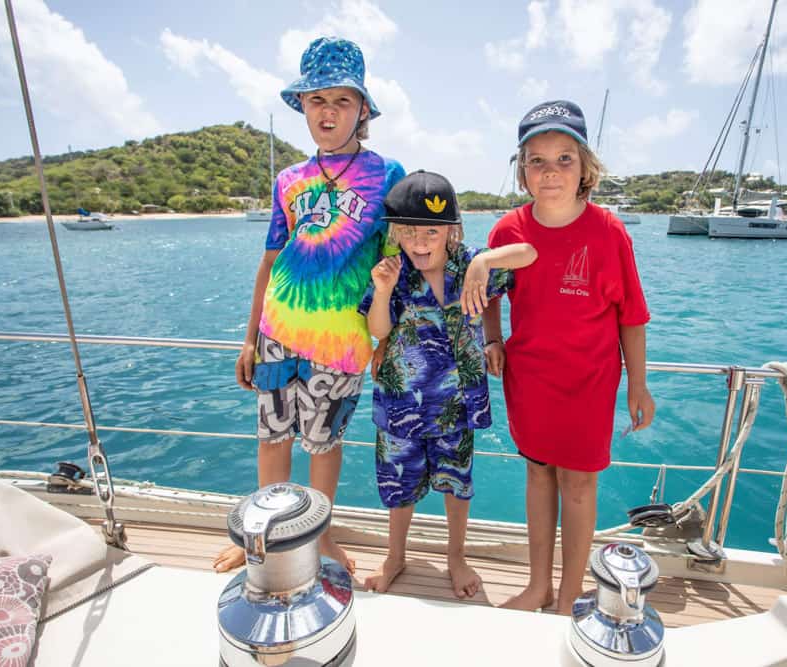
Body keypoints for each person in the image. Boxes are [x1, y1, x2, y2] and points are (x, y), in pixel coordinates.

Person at [213, 36, 405, 574]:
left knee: (323, 445)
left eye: (342, 100)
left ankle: (318, 537)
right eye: (317, 99)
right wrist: (249, 337)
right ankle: (264, 537)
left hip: (341, 341)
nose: (328, 111)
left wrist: (384, 343)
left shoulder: (388, 175)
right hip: (278, 331)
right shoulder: (288, 180)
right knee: (272, 438)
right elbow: (270, 261)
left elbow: (395, 267)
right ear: (302, 107)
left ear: (362, 110)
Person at [483, 100, 655, 614]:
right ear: (522, 170)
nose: (550, 171)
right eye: (536, 160)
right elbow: (490, 295)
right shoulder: (506, 232)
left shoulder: (609, 232)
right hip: (529, 377)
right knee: (538, 475)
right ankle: (538, 586)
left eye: (563, 158)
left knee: (579, 485)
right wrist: (492, 339)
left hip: (590, 381)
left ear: (585, 168)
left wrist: (638, 385)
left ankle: (566, 596)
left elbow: (631, 315)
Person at [358, 170, 537, 598]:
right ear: (397, 233)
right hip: (401, 402)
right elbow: (379, 332)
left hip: (456, 404)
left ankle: (456, 556)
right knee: (399, 486)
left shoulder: (471, 263)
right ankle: (394, 555)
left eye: (431, 232)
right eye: (409, 232)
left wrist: (485, 260)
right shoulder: (393, 273)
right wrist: (381, 293)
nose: (420, 242)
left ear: (450, 231)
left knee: (457, 483)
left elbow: (529, 252)